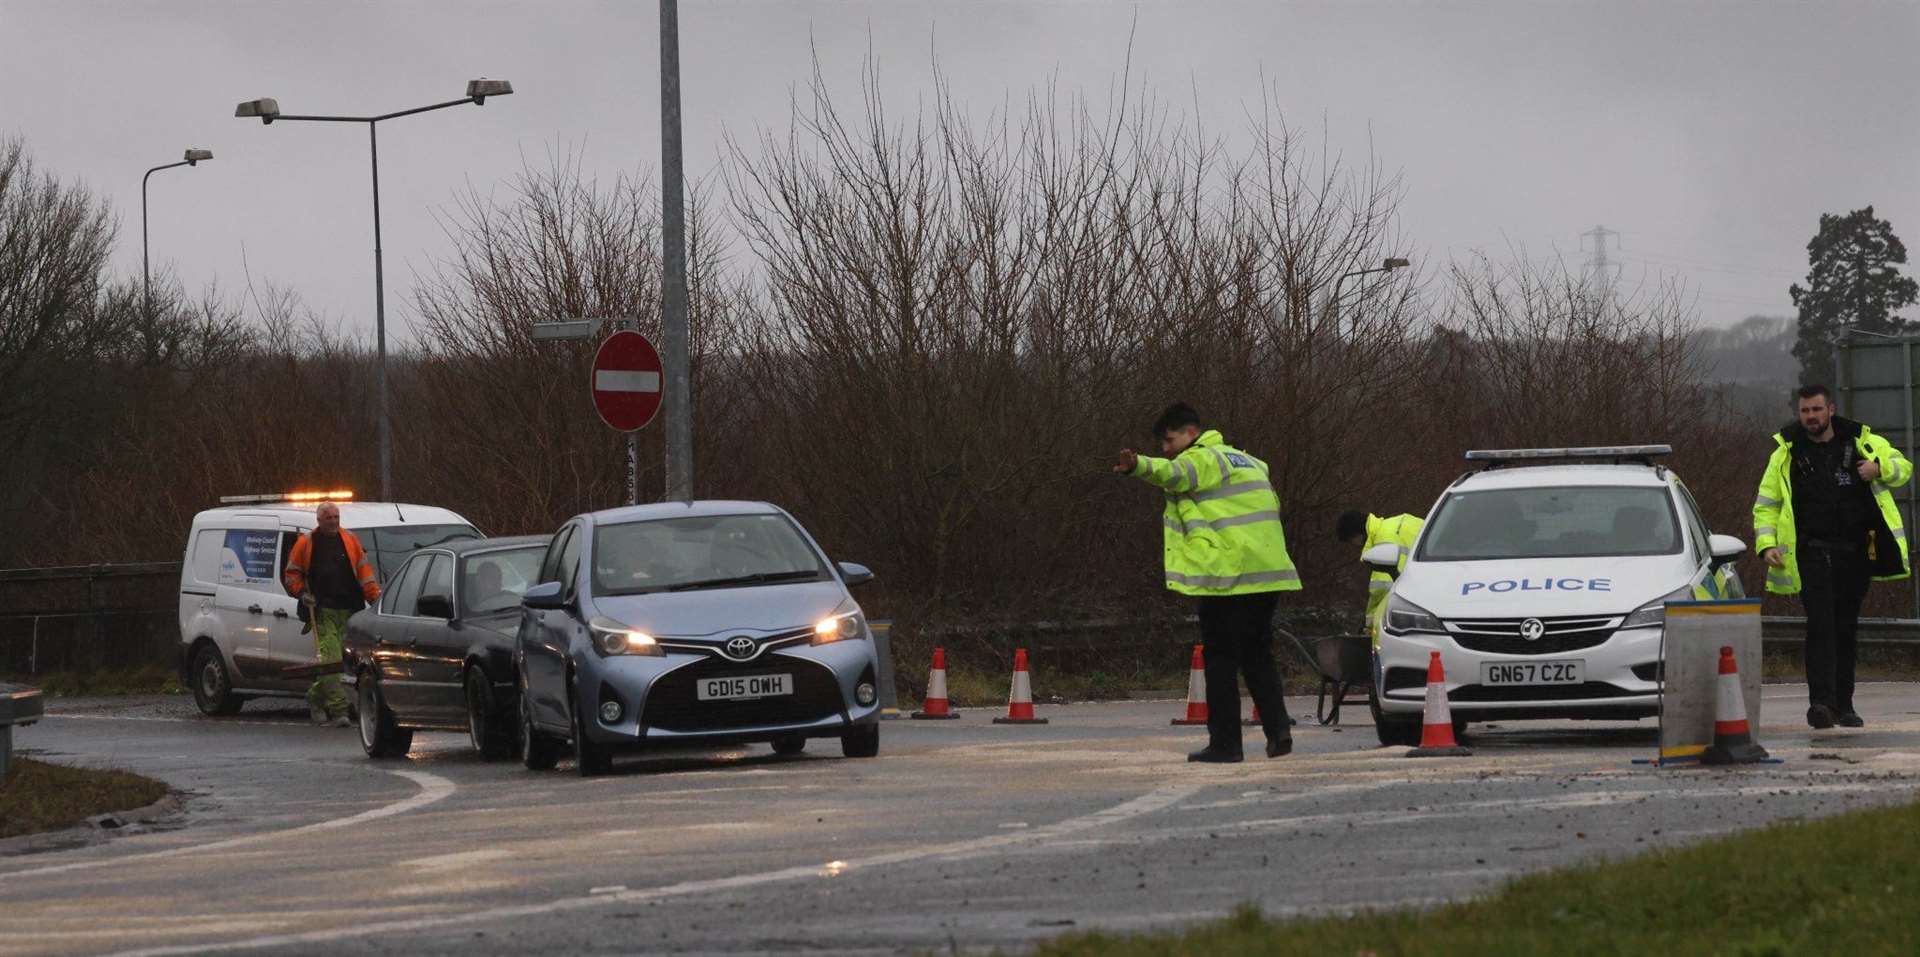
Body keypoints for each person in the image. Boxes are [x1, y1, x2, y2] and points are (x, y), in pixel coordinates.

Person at [1114, 402, 1300, 763]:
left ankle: (1226, 744)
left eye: (1168, 441)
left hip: (1228, 575)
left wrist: (1139, 466)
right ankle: (1279, 733)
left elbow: (1175, 474)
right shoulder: (1248, 461)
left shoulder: (1205, 457)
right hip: (1266, 573)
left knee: (1220, 658)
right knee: (1259, 655)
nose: (1166, 449)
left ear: (1190, 433)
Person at [1753, 384, 1912, 730]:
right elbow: (1767, 504)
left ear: (1831, 410)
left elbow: (1904, 467)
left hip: (1854, 554)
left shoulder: (1861, 441)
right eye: (1805, 411)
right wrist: (1766, 545)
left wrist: (1879, 467)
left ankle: (1845, 704)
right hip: (1811, 553)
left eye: (1816, 410)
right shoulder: (1786, 452)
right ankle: (1821, 704)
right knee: (1820, 628)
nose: (1810, 416)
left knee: (1845, 629)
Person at [282, 502, 382, 727]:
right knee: (332, 661)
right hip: (323, 611)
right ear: (319, 521)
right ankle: (339, 711)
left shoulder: (350, 540)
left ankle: (315, 697)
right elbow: (291, 576)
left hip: (350, 610)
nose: (334, 521)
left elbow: (365, 574)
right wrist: (301, 594)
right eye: (329, 518)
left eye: (336, 517)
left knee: (347, 663)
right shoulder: (306, 543)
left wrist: (376, 600)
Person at [1335, 510, 1424, 642]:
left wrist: (1370, 625)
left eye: (1351, 541)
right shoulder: (1389, 526)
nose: (1354, 545)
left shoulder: (1383, 540)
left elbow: (1382, 589)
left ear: (1356, 534)